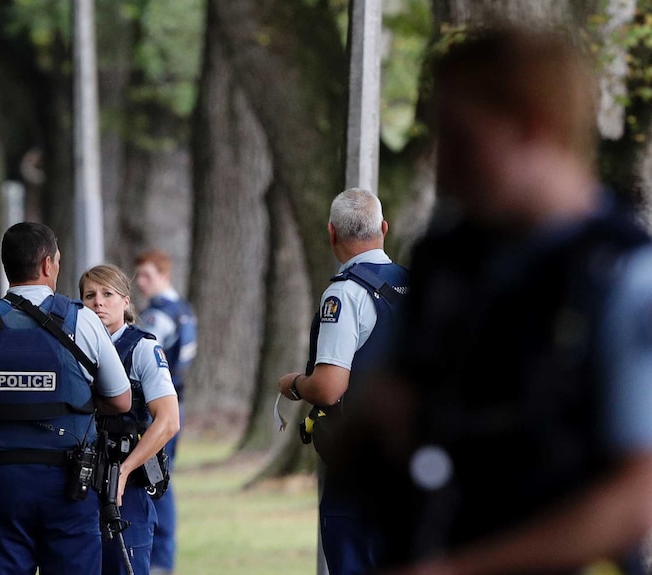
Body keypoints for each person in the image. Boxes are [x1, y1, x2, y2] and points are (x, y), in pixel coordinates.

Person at [364, 25, 652, 575]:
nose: (442, 166)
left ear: (531, 128)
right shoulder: (446, 260)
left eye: (461, 140)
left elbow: (636, 499)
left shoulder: (624, 277)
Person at [0, 222, 132, 575]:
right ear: (48, 265)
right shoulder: (83, 321)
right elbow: (121, 400)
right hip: (72, 486)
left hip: (2, 483)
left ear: (8, 266)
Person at [277, 187, 409, 575]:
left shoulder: (345, 295)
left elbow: (331, 386)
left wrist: (295, 384)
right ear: (383, 228)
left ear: (332, 233)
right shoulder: (418, 285)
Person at [80, 264, 180, 575]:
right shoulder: (72, 348)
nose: (98, 302)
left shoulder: (142, 348)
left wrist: (125, 470)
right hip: (78, 482)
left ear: (125, 301)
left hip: (125, 483)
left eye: (107, 294)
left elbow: (168, 421)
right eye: (89, 295)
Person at [133, 248, 197, 574]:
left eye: (147, 275)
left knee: (155, 482)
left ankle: (159, 560)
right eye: (139, 276)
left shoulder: (160, 315)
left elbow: (142, 353)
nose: (141, 282)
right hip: (175, 405)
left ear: (163, 275)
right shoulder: (184, 310)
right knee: (160, 479)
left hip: (158, 409)